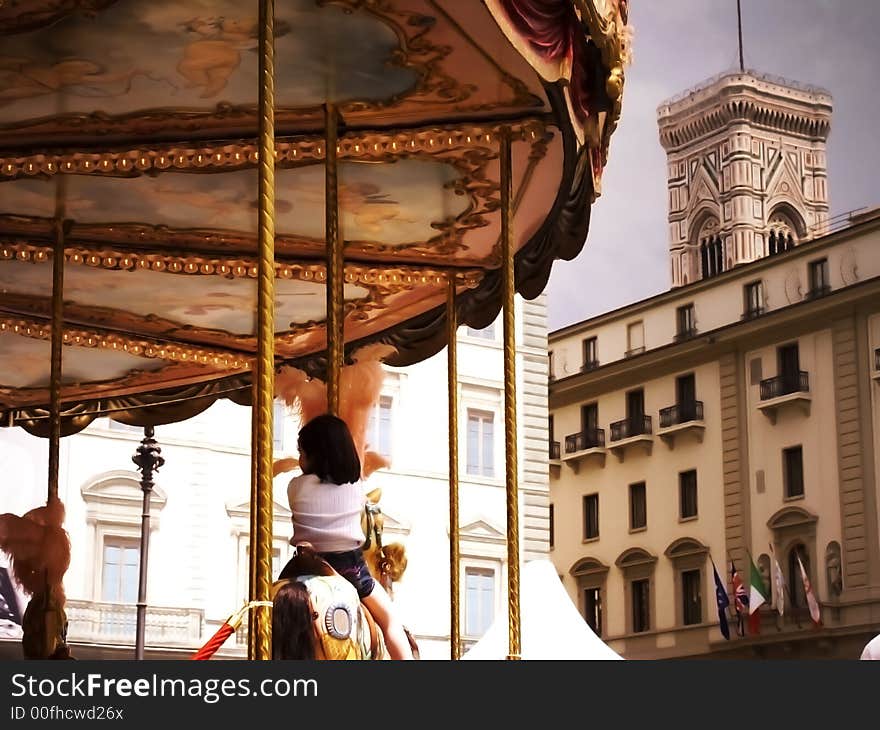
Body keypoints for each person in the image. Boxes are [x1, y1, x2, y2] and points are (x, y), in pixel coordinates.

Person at [287, 413, 413, 660]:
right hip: (349, 569)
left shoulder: (295, 487)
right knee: (390, 621)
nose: (300, 460)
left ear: (316, 456)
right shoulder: (355, 489)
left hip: (302, 565)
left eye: (302, 453)